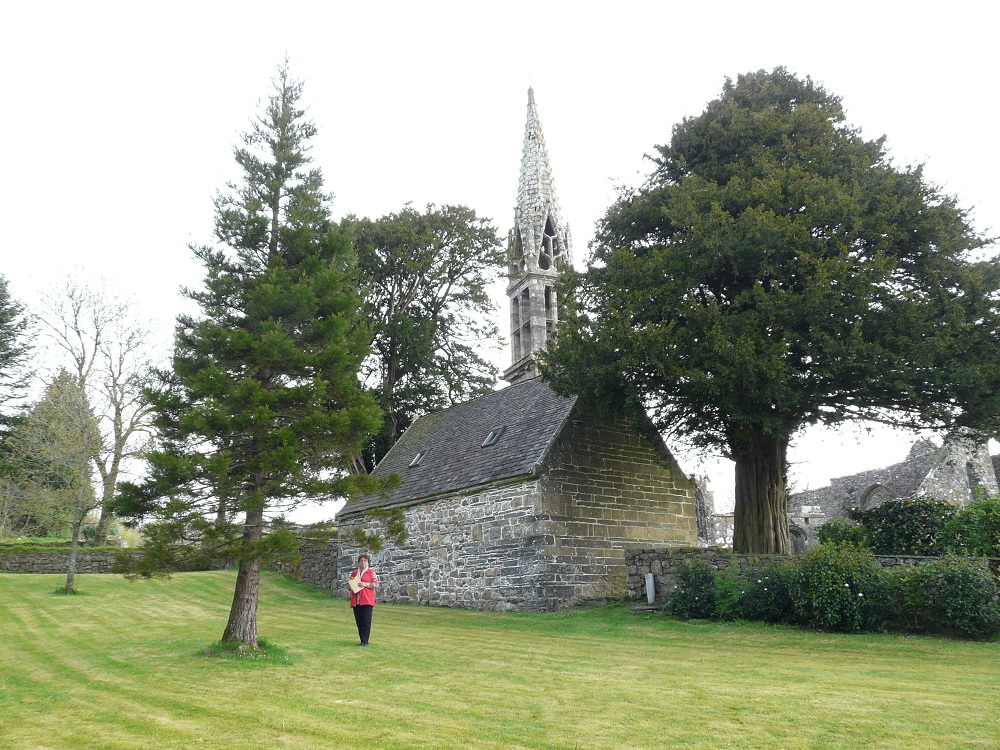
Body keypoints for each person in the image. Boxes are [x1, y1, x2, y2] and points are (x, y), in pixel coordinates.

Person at [349, 553, 379, 646]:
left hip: (366, 599)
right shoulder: (354, 573)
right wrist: (351, 586)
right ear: (358, 562)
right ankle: (362, 640)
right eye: (361, 560)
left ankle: (365, 641)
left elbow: (376, 584)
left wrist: (365, 584)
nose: (363, 562)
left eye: (365, 561)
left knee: (366, 621)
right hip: (356, 600)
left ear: (368, 562)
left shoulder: (371, 572)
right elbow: (350, 584)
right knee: (359, 621)